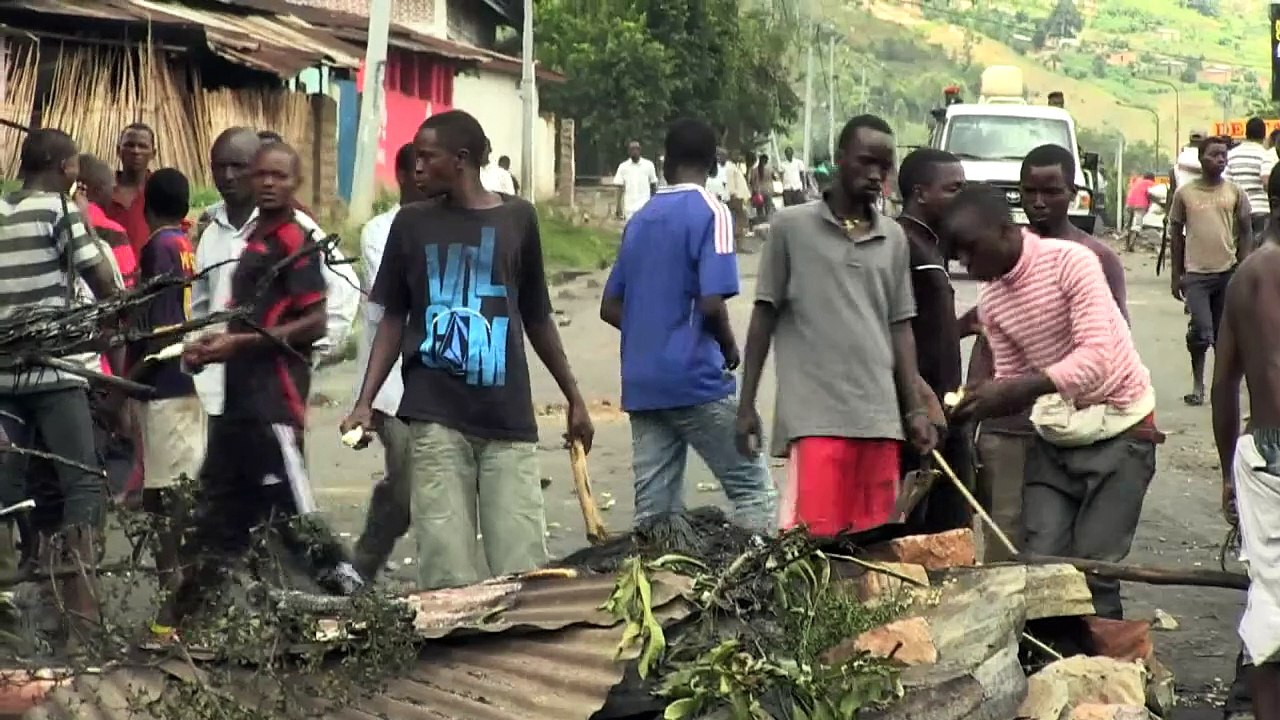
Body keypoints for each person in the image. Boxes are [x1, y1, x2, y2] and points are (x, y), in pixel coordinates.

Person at [342, 110, 594, 591]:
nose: (415, 168)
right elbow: (393, 317)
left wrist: (574, 397)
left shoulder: (517, 218)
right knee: (445, 569)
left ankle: (513, 663)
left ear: (460, 161)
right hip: (435, 418)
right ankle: (449, 663)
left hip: (507, 419)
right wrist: (363, 402)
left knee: (522, 567)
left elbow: (537, 315)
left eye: (426, 157)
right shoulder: (411, 225)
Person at [155, 143, 360, 637]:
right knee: (214, 525)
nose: (267, 184)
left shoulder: (294, 238)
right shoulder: (252, 240)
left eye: (279, 176)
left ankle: (366, 609)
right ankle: (169, 631)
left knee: (300, 525)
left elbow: (312, 322)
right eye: (260, 175)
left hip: (274, 404)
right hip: (235, 406)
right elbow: (232, 314)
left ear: (295, 182)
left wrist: (237, 345)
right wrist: (207, 344)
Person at [944, 183, 1157, 620]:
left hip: (1122, 428)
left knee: (1094, 572)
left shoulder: (1072, 264)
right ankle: (1051, 668)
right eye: (957, 254)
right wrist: (978, 404)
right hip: (1058, 434)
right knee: (1041, 566)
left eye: (970, 248)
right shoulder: (994, 303)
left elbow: (1097, 360)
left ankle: (1103, 677)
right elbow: (1012, 379)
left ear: (1005, 229)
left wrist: (1016, 390)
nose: (966, 262)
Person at [736, 114, 937, 537]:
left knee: (875, 547)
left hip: (880, 419)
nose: (875, 174)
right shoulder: (791, 228)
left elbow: (901, 327)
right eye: (866, 161)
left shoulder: (893, 239)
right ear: (840, 158)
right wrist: (746, 403)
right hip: (816, 420)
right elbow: (764, 316)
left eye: (884, 166)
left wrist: (914, 409)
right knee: (813, 546)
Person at [600, 118, 776, 533]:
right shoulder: (710, 211)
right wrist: (730, 349)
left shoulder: (640, 219)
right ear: (714, 164)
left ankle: (659, 592)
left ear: (664, 163)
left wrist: (652, 330)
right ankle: (759, 583)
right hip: (695, 377)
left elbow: (610, 306)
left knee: (656, 516)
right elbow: (712, 302)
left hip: (643, 383)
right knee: (752, 490)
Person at [962, 145, 1130, 562]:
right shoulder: (998, 253)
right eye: (1029, 191)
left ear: (1073, 193)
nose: (1038, 202)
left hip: (1072, 427)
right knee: (1004, 547)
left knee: (1060, 557)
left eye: (1051, 191)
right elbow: (988, 339)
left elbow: (1109, 343)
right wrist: (972, 410)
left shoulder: (1093, 258)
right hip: (1009, 428)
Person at [0, 128, 120, 640]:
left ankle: (10, 607)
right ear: (67, 167)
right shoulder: (58, 209)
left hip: (1, 374)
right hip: (53, 372)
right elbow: (103, 282)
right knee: (82, 485)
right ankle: (85, 618)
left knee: (8, 490)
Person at [191, 127, 358, 423]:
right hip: (217, 393)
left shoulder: (295, 231)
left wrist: (308, 352)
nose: (228, 176)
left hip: (273, 392)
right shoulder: (211, 233)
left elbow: (344, 291)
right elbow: (201, 311)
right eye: (220, 167)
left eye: (238, 167)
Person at [1213, 163, 1280, 720]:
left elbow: (1223, 385)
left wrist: (1227, 474)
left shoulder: (1246, 276)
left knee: (1271, 598)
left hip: (1266, 455)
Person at [126, 168, 203, 602]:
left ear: (146, 206)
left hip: (166, 381)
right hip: (185, 380)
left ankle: (176, 591)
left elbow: (161, 326)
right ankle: (178, 587)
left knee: (167, 495)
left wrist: (128, 381)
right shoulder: (185, 244)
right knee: (172, 488)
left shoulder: (158, 247)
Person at [349, 143, 424, 581]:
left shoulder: (454, 226)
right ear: (399, 176)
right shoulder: (380, 231)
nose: (423, 179)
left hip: (446, 382)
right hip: (393, 385)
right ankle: (363, 563)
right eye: (415, 172)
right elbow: (402, 297)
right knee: (407, 488)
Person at [895, 148, 971, 535]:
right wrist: (921, 402)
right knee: (927, 524)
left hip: (944, 407)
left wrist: (962, 326)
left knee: (950, 519)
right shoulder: (904, 246)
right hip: (923, 412)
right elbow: (895, 332)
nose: (963, 198)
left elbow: (923, 327)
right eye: (954, 188)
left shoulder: (930, 246)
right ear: (921, 193)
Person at [1169, 135, 1253, 407]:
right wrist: (1176, 275)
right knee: (1202, 331)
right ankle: (1197, 382)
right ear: (1200, 158)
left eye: (1223, 155)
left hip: (1226, 272)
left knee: (1222, 334)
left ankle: (1219, 387)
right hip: (1196, 275)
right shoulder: (1185, 194)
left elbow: (1245, 229)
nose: (1219, 159)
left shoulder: (1235, 192)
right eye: (1214, 154)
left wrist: (1244, 264)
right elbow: (1176, 234)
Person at [76, 154, 138, 292]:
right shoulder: (113, 231)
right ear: (98, 190)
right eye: (112, 188)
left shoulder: (56, 221)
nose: (113, 194)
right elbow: (128, 285)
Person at [106, 123, 156, 255]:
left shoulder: (160, 191)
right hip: (108, 272)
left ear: (153, 154)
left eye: (143, 146)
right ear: (118, 150)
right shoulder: (102, 190)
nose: (136, 151)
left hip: (151, 272)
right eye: (129, 145)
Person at [1227, 117, 1275, 246]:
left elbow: (1226, 184)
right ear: (1264, 135)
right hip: (1261, 210)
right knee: (1259, 248)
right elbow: (1266, 181)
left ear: (1246, 133)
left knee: (1240, 247)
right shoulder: (1265, 155)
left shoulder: (1231, 155)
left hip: (1238, 210)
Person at [613, 141, 658, 220]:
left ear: (640, 150)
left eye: (636, 149)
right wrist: (618, 207)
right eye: (632, 149)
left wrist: (654, 204)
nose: (634, 151)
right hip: (629, 207)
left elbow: (653, 185)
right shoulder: (623, 167)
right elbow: (619, 188)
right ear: (628, 152)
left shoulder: (648, 165)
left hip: (645, 206)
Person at [1124, 172, 1156, 248]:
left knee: (1128, 224)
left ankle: (1126, 244)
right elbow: (1153, 194)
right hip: (1140, 205)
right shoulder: (1151, 183)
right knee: (1137, 225)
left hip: (1129, 203)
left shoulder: (1137, 181)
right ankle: (1131, 245)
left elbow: (1130, 187)